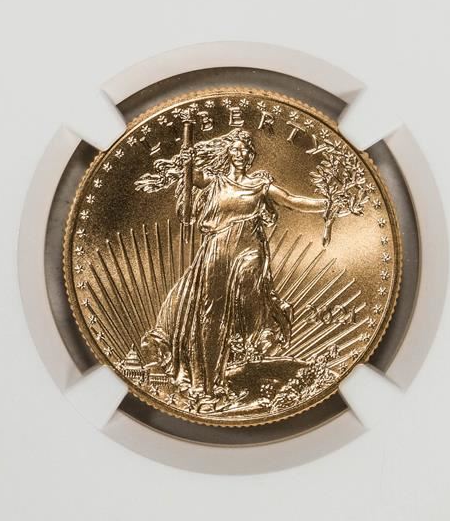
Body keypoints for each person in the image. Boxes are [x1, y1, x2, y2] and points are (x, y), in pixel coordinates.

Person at [137, 128, 325, 399]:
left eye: (246, 150)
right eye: (236, 148)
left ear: (251, 156)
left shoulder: (260, 185)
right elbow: (191, 175)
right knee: (211, 314)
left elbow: (292, 200)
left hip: (249, 248)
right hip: (216, 249)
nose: (241, 153)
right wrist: (187, 160)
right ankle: (208, 383)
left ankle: (258, 326)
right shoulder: (214, 180)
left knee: (249, 279)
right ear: (228, 152)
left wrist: (327, 203)